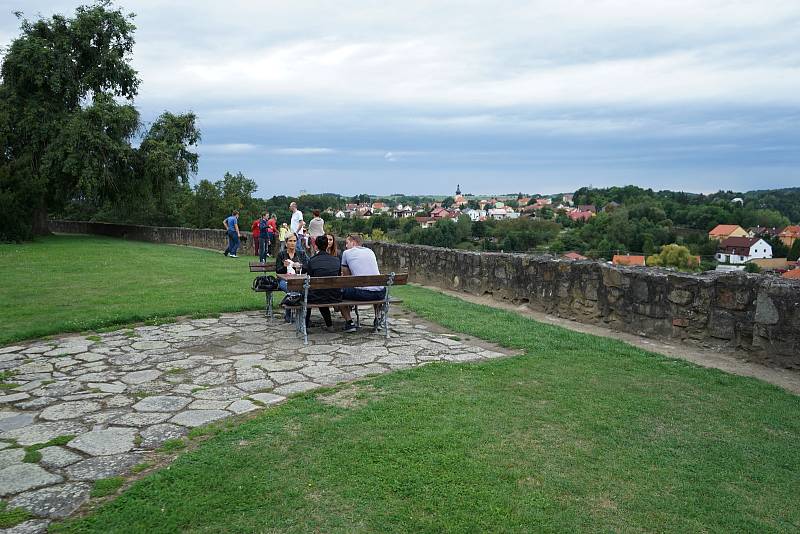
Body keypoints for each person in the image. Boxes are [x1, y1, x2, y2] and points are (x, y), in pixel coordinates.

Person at [338, 233, 385, 332]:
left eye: (347, 243)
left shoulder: (347, 253)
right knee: (375, 287)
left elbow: (346, 278)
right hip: (380, 293)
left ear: (354, 243)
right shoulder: (370, 251)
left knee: (337, 294)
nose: (346, 246)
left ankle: (349, 322)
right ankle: (377, 318)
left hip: (362, 293)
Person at [302, 235, 342, 329]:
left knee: (307, 295)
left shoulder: (312, 261)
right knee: (322, 292)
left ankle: (305, 326)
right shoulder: (336, 260)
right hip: (334, 296)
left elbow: (309, 277)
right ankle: (329, 325)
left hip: (317, 296)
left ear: (316, 246)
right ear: (327, 245)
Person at [275, 232, 309, 322]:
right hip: (283, 280)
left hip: (298, 280)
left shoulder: (301, 254)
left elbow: (307, 268)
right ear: (286, 243)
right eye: (290, 241)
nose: (293, 243)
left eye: (294, 241)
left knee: (299, 289)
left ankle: (291, 311)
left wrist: (300, 266)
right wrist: (284, 267)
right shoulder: (281, 254)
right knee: (292, 289)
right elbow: (278, 271)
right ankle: (289, 315)